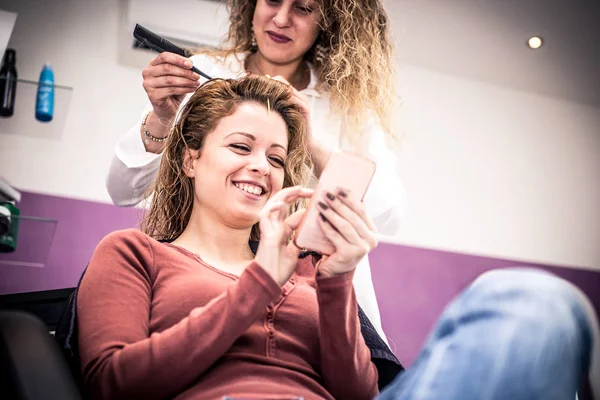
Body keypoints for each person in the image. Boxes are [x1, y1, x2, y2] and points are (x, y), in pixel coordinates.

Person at [81, 76, 599, 400]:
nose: (261, 167)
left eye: (278, 158)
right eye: (241, 146)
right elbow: (112, 385)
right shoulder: (134, 254)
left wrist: (336, 281)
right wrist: (259, 282)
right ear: (191, 158)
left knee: (538, 306)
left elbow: (358, 393)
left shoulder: (307, 268)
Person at [105, 0, 404, 343]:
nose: (281, 19)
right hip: (211, 280)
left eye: (303, 8)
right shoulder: (200, 73)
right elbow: (122, 190)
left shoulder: (347, 105)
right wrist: (161, 118)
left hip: (314, 297)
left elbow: (387, 214)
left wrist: (312, 144)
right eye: (273, 0)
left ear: (328, 22)